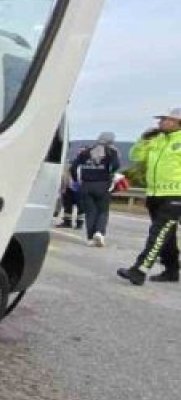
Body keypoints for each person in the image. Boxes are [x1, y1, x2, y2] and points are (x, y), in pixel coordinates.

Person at [117, 108, 181, 285]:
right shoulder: (157, 140)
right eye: (160, 119)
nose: (160, 122)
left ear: (177, 122)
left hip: (175, 195)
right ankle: (172, 270)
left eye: (165, 119)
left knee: (158, 233)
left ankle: (139, 270)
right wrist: (143, 140)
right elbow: (136, 157)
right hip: (154, 194)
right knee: (166, 235)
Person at [70, 131, 120, 247]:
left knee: (90, 212)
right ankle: (99, 232)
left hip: (86, 185)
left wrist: (77, 181)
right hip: (102, 184)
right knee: (103, 211)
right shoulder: (111, 152)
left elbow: (73, 167)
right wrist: (110, 174)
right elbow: (116, 166)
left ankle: (90, 238)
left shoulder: (86, 152)